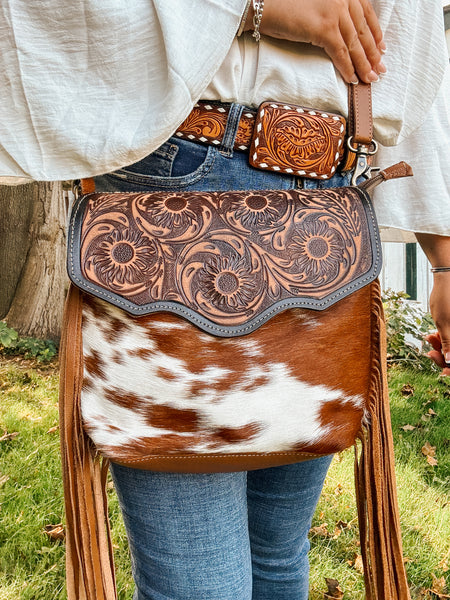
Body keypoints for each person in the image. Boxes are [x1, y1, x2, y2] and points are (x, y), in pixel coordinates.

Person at [0, 1, 449, 599]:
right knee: (201, 584)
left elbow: (412, 48)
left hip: (326, 206)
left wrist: (444, 256)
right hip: (179, 181)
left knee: (278, 554)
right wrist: (254, 10)